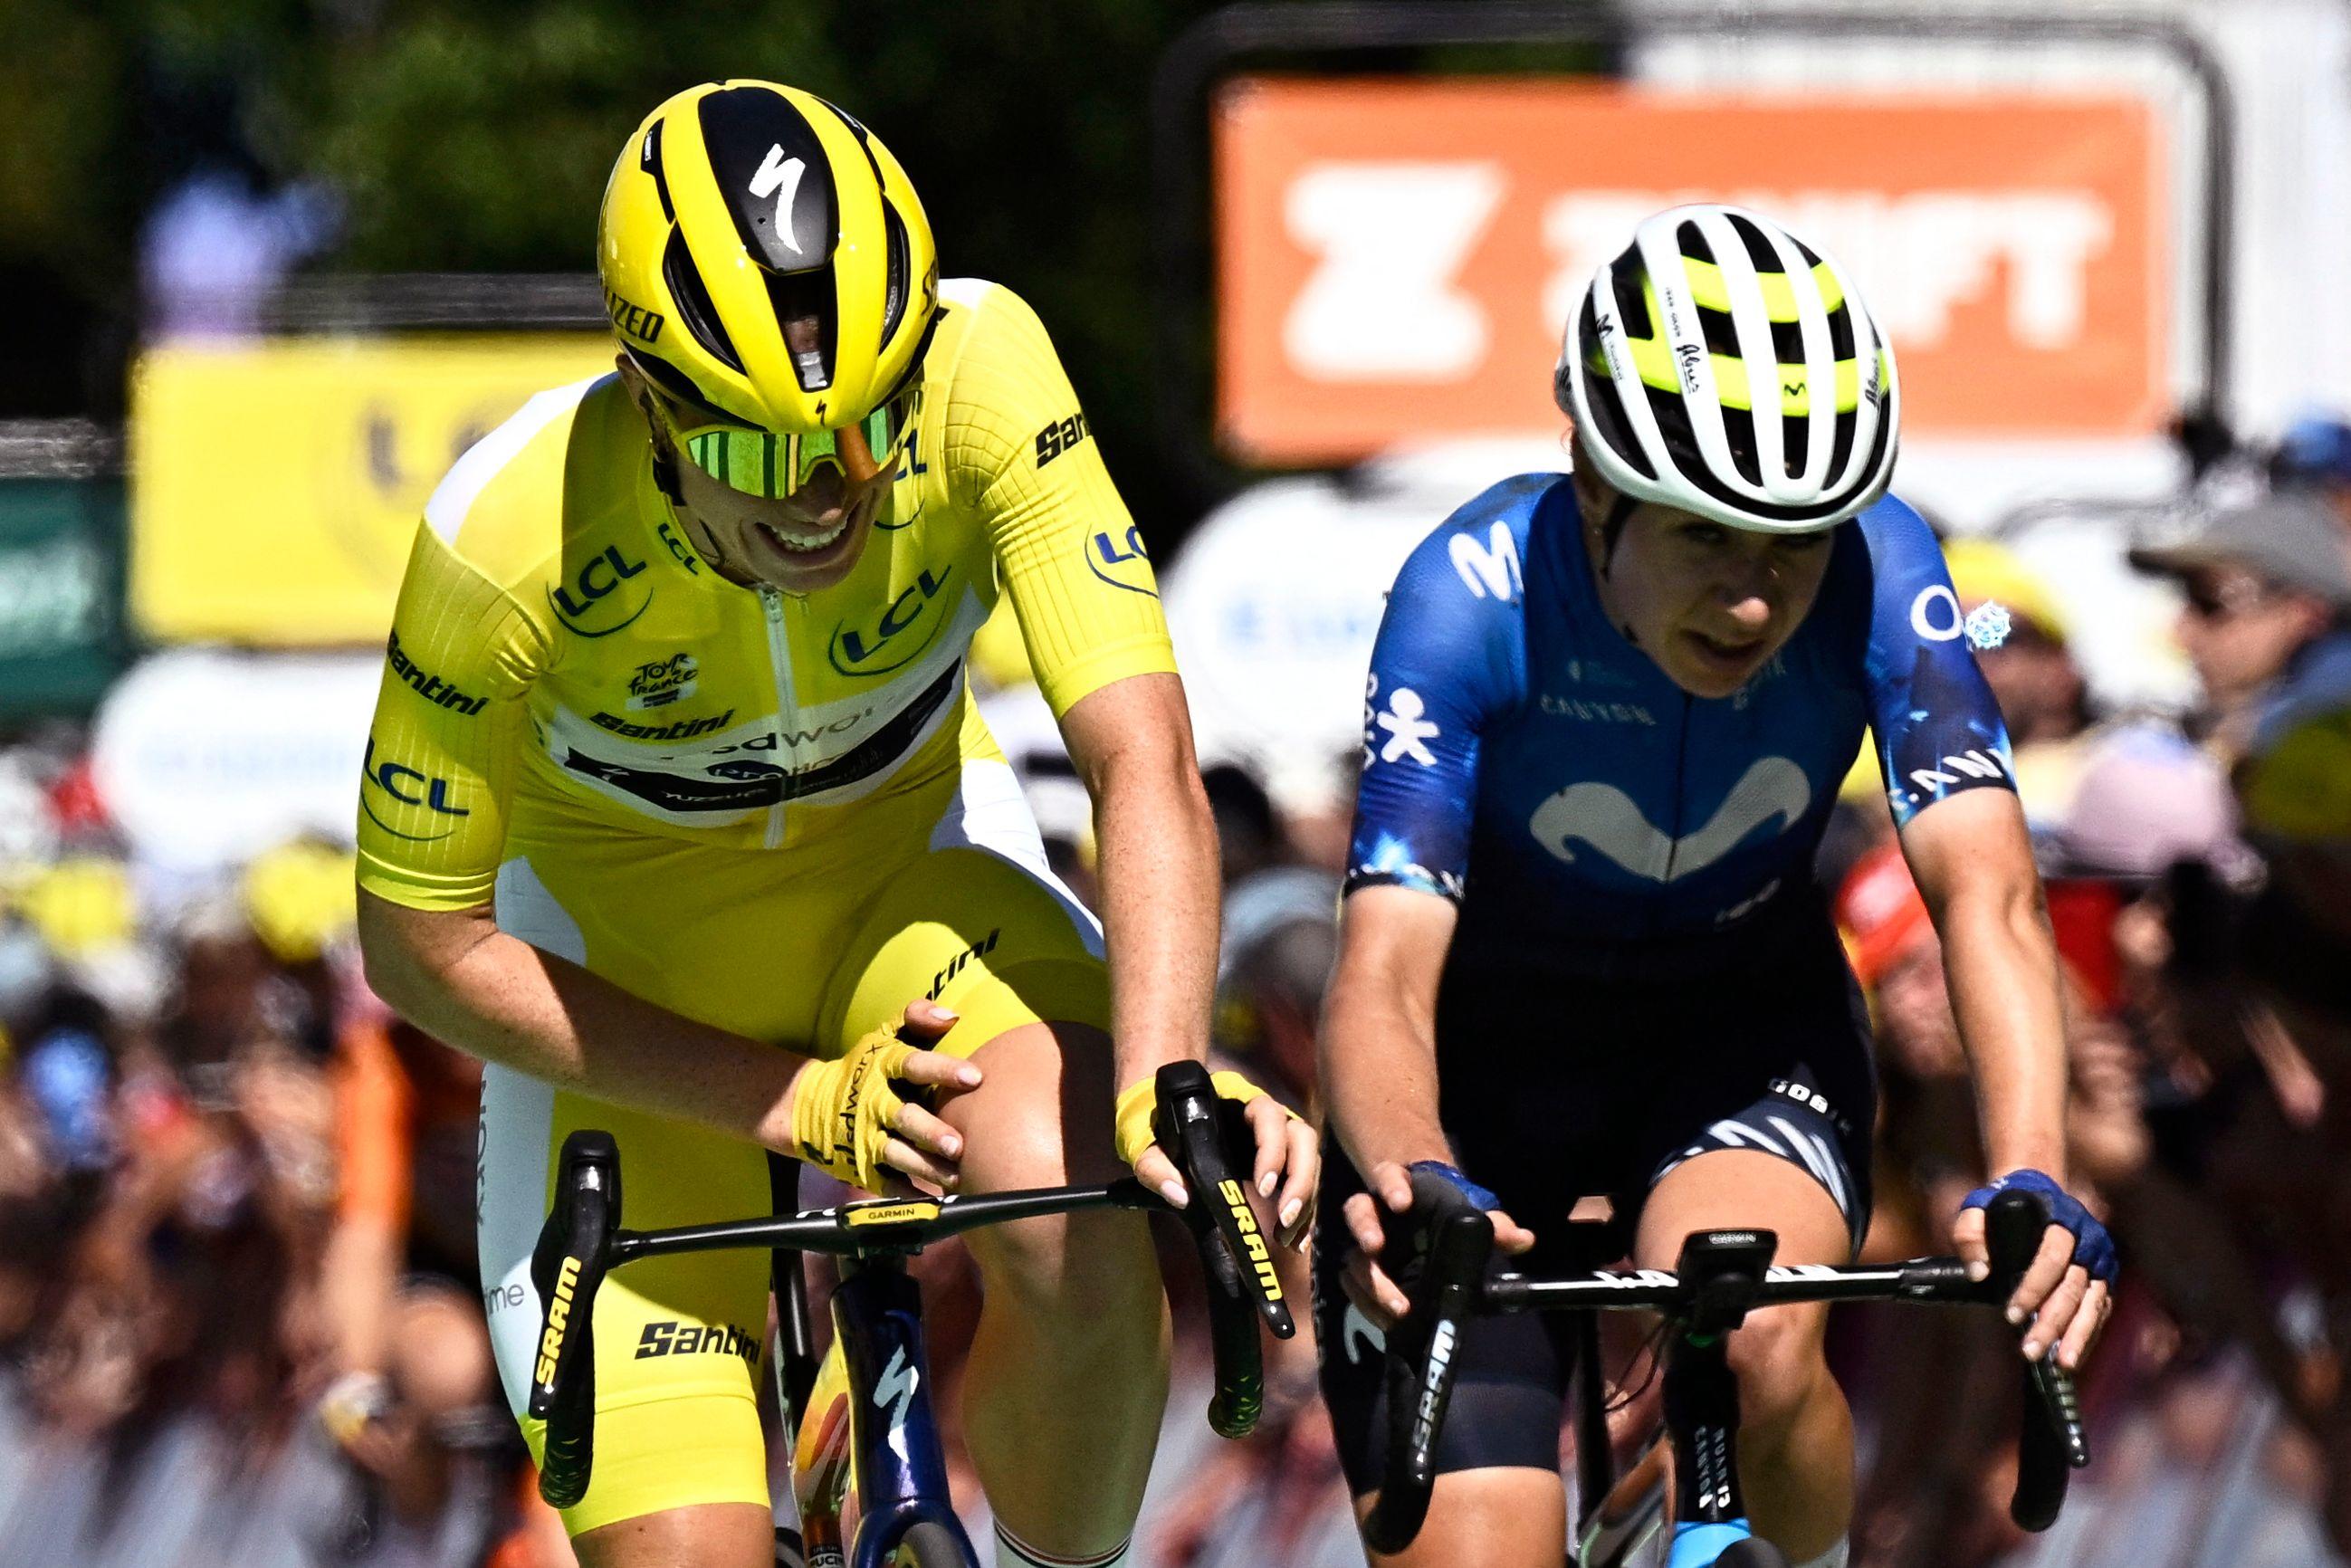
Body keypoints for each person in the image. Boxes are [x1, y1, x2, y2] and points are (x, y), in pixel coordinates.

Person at [351, 81, 1314, 1568]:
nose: (825, 490)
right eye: (755, 451)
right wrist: (790, 1102)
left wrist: (1167, 1073)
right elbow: (417, 948)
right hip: (635, 992)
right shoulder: (506, 542)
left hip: (912, 901)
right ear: (649, 398)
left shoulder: (985, 368)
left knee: (1077, 1260)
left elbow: (1142, 758)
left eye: (869, 425)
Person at [1313, 205, 2114, 1568]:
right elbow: (1382, 964)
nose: (1752, 601)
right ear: (1593, 484)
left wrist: (2027, 1162)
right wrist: (1411, 1171)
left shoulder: (1883, 569)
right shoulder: (1471, 591)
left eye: (1789, 547)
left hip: (1735, 1037)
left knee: (1749, 1332)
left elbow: (1985, 893)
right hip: (1473, 1072)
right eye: (1703, 538)